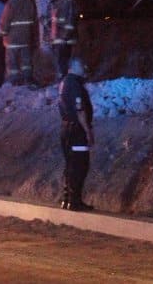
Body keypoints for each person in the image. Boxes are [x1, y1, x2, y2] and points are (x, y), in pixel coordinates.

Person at [57, 57, 94, 211]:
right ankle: (74, 201)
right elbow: (80, 110)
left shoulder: (64, 82)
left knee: (70, 164)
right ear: (73, 67)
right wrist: (88, 130)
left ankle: (67, 199)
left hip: (66, 128)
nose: (84, 68)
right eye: (81, 66)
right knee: (79, 164)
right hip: (76, 130)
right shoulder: (74, 84)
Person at [0, 0, 40, 88]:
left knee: (12, 63)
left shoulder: (10, 4)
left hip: (12, 40)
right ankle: (28, 79)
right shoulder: (29, 2)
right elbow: (34, 20)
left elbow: (5, 21)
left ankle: (14, 81)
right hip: (26, 39)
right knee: (26, 62)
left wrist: (2, 33)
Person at [46, 0, 79, 79]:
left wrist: (64, 38)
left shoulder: (68, 4)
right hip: (57, 41)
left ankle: (66, 81)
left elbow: (69, 24)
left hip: (65, 41)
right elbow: (53, 23)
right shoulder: (53, 5)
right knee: (60, 63)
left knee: (64, 62)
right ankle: (63, 81)